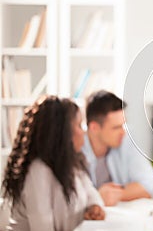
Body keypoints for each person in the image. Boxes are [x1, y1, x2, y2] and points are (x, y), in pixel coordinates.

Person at [1, 96, 105, 231]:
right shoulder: (38, 172)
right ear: (63, 133)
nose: (83, 132)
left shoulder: (72, 164)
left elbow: (90, 192)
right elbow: (43, 227)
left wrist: (94, 207)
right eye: (79, 125)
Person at [82, 90, 153, 206]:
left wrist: (118, 194)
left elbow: (150, 184)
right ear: (94, 128)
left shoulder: (125, 140)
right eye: (116, 127)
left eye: (123, 125)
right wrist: (97, 197)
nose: (122, 132)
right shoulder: (75, 148)